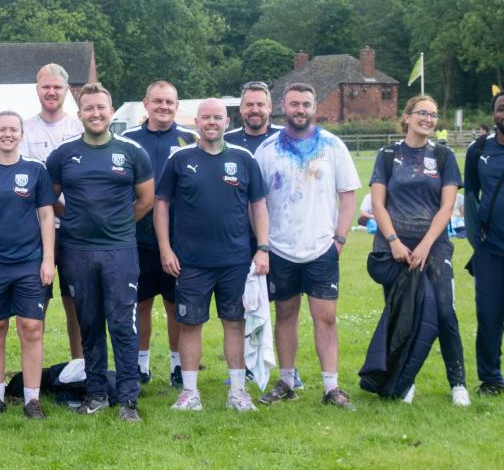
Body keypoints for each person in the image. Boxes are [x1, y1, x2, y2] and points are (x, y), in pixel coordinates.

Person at [46, 83, 154, 422]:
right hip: (77, 251)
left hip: (120, 252)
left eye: (101, 108)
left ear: (111, 111)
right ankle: (95, 394)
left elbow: (146, 200)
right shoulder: (63, 154)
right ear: (80, 114)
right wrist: (76, 220)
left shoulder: (132, 152)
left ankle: (127, 400)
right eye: (89, 108)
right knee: (89, 324)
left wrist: (119, 224)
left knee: (123, 324)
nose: (95, 113)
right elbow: (49, 200)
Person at [154, 99, 270, 413]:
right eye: (206, 117)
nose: (212, 123)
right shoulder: (180, 159)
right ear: (196, 121)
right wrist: (165, 248)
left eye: (217, 117)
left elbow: (258, 205)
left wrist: (262, 248)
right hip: (191, 262)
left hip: (235, 260)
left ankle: (237, 391)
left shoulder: (244, 159)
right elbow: (161, 203)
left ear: (226, 121)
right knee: (190, 325)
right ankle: (190, 393)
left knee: (235, 323)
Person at [254, 83, 361, 410]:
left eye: (306, 104)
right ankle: (286, 381)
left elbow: (348, 197)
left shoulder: (332, 145)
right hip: (281, 249)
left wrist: (338, 242)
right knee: (285, 314)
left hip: (321, 249)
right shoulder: (268, 149)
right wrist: (263, 245)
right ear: (282, 106)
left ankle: (331, 387)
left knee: (325, 318)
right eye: (294, 103)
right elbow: (256, 202)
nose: (300, 109)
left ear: (315, 107)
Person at [368, 95, 468, 405]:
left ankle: (458, 383)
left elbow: (447, 207)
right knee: (402, 315)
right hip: (394, 246)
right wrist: (395, 241)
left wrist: (425, 246)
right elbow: (378, 204)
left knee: (443, 310)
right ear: (407, 117)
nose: (428, 119)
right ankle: (403, 382)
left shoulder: (444, 156)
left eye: (434, 115)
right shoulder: (387, 155)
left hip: (434, 246)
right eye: (422, 113)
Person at [0, 111, 56, 420]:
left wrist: (48, 259)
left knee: (31, 328)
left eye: (13, 129)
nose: (8, 134)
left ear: (21, 134)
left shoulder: (35, 170)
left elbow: (46, 216)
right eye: (2, 129)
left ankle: (32, 399)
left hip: (29, 263)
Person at [122, 80, 198, 387]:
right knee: (140, 303)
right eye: (158, 101)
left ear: (177, 105)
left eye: (169, 102)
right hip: (136, 238)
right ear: (146, 103)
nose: (163, 106)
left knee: (174, 305)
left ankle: (178, 365)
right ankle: (141, 365)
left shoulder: (189, 139)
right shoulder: (127, 139)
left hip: (178, 240)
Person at [21, 63, 85, 382]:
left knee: (75, 301)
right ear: (37, 89)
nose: (51, 92)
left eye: (57, 87)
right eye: (45, 86)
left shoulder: (79, 127)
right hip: (36, 231)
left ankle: (80, 367)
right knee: (36, 304)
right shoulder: (24, 129)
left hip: (76, 232)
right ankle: (34, 372)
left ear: (67, 90)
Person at [463, 92, 504, 395]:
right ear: (493, 114)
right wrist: (478, 240)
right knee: (488, 316)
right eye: (502, 108)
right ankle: (491, 379)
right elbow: (470, 196)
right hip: (490, 250)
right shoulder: (479, 150)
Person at [224, 81, 281, 152]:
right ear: (241, 108)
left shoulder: (285, 137)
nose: (255, 110)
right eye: (249, 105)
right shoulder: (226, 141)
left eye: (260, 104)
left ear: (270, 107)